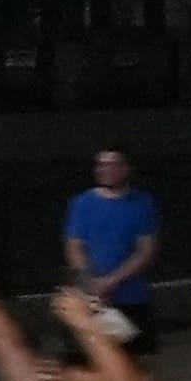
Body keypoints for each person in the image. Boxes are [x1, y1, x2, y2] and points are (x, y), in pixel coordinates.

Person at [61, 147, 163, 354]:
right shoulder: (83, 203)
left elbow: (145, 251)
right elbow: (74, 246)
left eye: (112, 164)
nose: (105, 169)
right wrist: (90, 282)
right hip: (90, 298)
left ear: (126, 169)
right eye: (101, 164)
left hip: (131, 297)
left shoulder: (142, 203)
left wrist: (110, 282)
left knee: (136, 361)